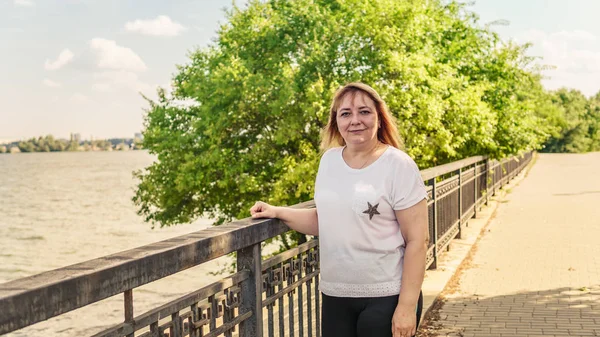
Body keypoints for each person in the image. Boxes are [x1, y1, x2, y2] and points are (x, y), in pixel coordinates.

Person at [250, 82, 429, 337]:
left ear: (379, 117)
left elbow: (417, 241)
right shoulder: (329, 161)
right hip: (335, 296)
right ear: (336, 122)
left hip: (386, 295)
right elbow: (325, 220)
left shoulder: (398, 165)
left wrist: (406, 307)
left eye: (364, 112)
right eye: (346, 113)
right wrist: (278, 212)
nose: (355, 120)